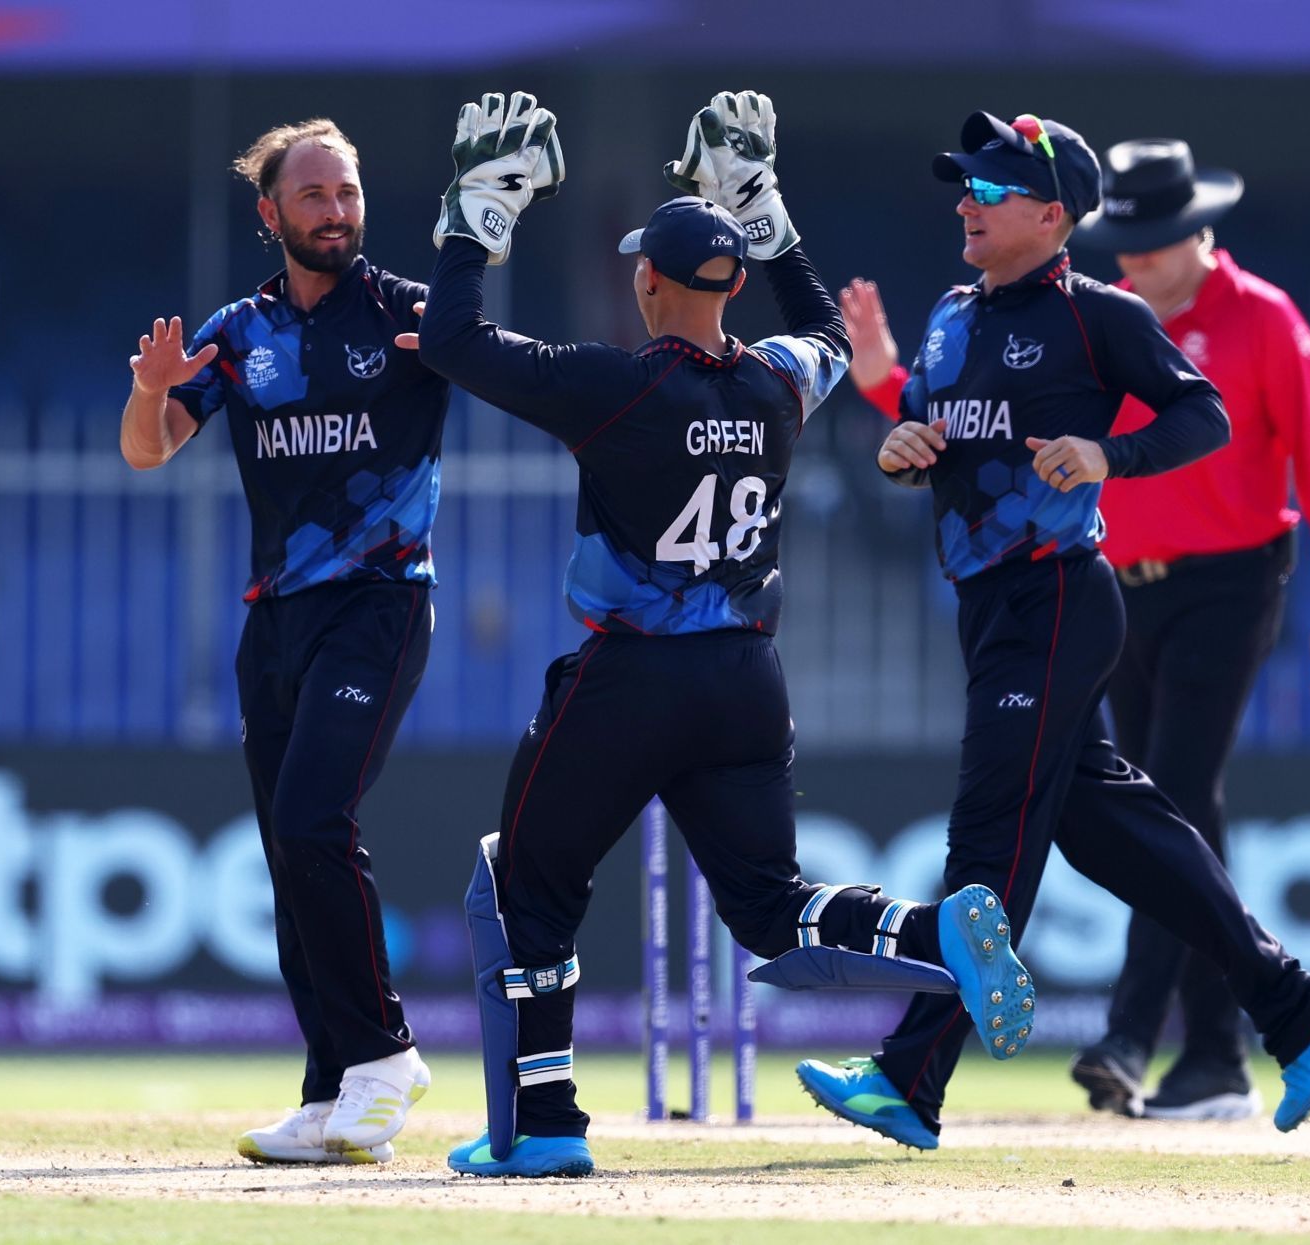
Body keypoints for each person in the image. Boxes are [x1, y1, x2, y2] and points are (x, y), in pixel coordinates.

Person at [411, 90, 1039, 1179]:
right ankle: (936, 935)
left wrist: (477, 216)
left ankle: (544, 1125)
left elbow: (455, 340)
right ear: (733, 281)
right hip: (747, 677)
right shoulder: (776, 383)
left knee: (525, 890)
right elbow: (836, 334)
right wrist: (764, 210)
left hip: (630, 681)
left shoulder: (610, 384)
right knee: (770, 906)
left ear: (645, 280)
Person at [793, 110, 1310, 1151]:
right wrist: (899, 443)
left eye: (989, 190)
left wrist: (1110, 457)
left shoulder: (1098, 315)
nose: (964, 202)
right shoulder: (954, 315)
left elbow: (1204, 416)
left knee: (987, 830)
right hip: (989, 606)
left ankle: (909, 1076)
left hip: (1056, 597)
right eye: (962, 186)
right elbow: (931, 425)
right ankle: (1295, 1003)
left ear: (1054, 215)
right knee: (1124, 838)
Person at [120, 119, 441, 1167]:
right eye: (312, 196)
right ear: (271, 215)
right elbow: (148, 453)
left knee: (313, 819)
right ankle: (329, 1088)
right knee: (286, 858)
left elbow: (504, 371)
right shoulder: (237, 330)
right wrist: (149, 389)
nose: (335, 211)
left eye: (346, 192)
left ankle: (383, 1054)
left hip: (379, 605)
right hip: (277, 623)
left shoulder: (405, 314)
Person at [1064, 139, 1310, 1121]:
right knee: (1187, 817)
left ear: (1199, 235)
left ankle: (1125, 1030)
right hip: (1123, 587)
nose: (1136, 261)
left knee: (1170, 791)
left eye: (1153, 244)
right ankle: (1213, 1058)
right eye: (1126, 243)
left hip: (1232, 583)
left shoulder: (1263, 321)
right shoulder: (1102, 317)